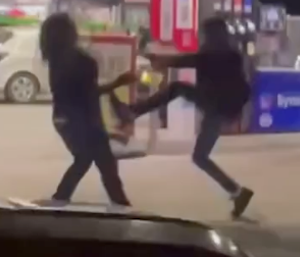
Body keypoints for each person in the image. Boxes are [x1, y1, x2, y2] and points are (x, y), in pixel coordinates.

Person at [110, 16, 253, 218]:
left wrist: (160, 61)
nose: (203, 38)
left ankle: (132, 112)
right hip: (222, 109)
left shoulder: (212, 55)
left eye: (204, 34)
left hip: (216, 106)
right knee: (200, 157)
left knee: (177, 89)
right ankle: (237, 192)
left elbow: (186, 60)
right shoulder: (233, 55)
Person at [39, 12, 135, 207]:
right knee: (104, 165)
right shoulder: (82, 60)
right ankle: (122, 207)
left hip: (63, 119)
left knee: (85, 159)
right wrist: (118, 83)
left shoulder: (55, 60)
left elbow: (78, 92)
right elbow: (90, 94)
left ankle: (60, 200)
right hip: (85, 119)